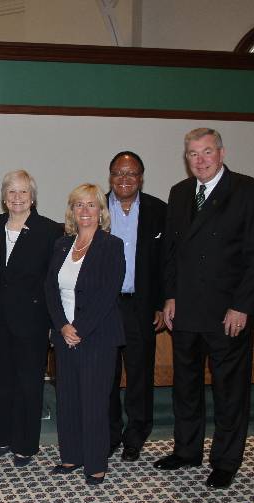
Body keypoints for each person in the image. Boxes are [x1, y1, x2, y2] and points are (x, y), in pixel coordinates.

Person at [156, 128, 254, 489]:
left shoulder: (248, 190)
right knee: (185, 387)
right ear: (186, 157)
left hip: (227, 313)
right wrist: (170, 296)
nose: (200, 160)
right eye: (193, 153)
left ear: (221, 153)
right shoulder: (178, 193)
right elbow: (173, 254)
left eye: (207, 152)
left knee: (229, 391)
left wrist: (242, 306)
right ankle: (187, 450)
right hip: (187, 311)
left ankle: (225, 461)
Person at [46, 183, 125, 485]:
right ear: (72, 211)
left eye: (91, 205)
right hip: (64, 334)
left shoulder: (111, 245)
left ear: (100, 211)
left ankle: (95, 463)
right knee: (67, 398)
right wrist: (62, 326)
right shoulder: (62, 244)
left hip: (98, 337)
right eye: (79, 205)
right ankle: (71, 457)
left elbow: (108, 293)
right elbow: (50, 288)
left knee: (93, 401)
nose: (85, 211)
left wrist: (79, 328)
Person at [0, 170, 63, 466]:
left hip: (32, 321)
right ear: (4, 197)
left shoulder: (50, 230)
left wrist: (55, 323)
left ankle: (25, 445)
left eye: (23, 192)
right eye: (12, 192)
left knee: (28, 384)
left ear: (33, 197)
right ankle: (0, 440)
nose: (17, 198)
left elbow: (53, 282)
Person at [105, 151, 168, 462]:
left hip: (141, 306)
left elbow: (167, 263)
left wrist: (161, 303)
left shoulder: (159, 211)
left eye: (131, 173)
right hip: (105, 306)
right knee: (107, 374)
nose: (124, 179)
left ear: (141, 177)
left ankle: (136, 435)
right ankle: (110, 433)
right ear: (110, 177)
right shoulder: (95, 209)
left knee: (139, 374)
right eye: (118, 173)